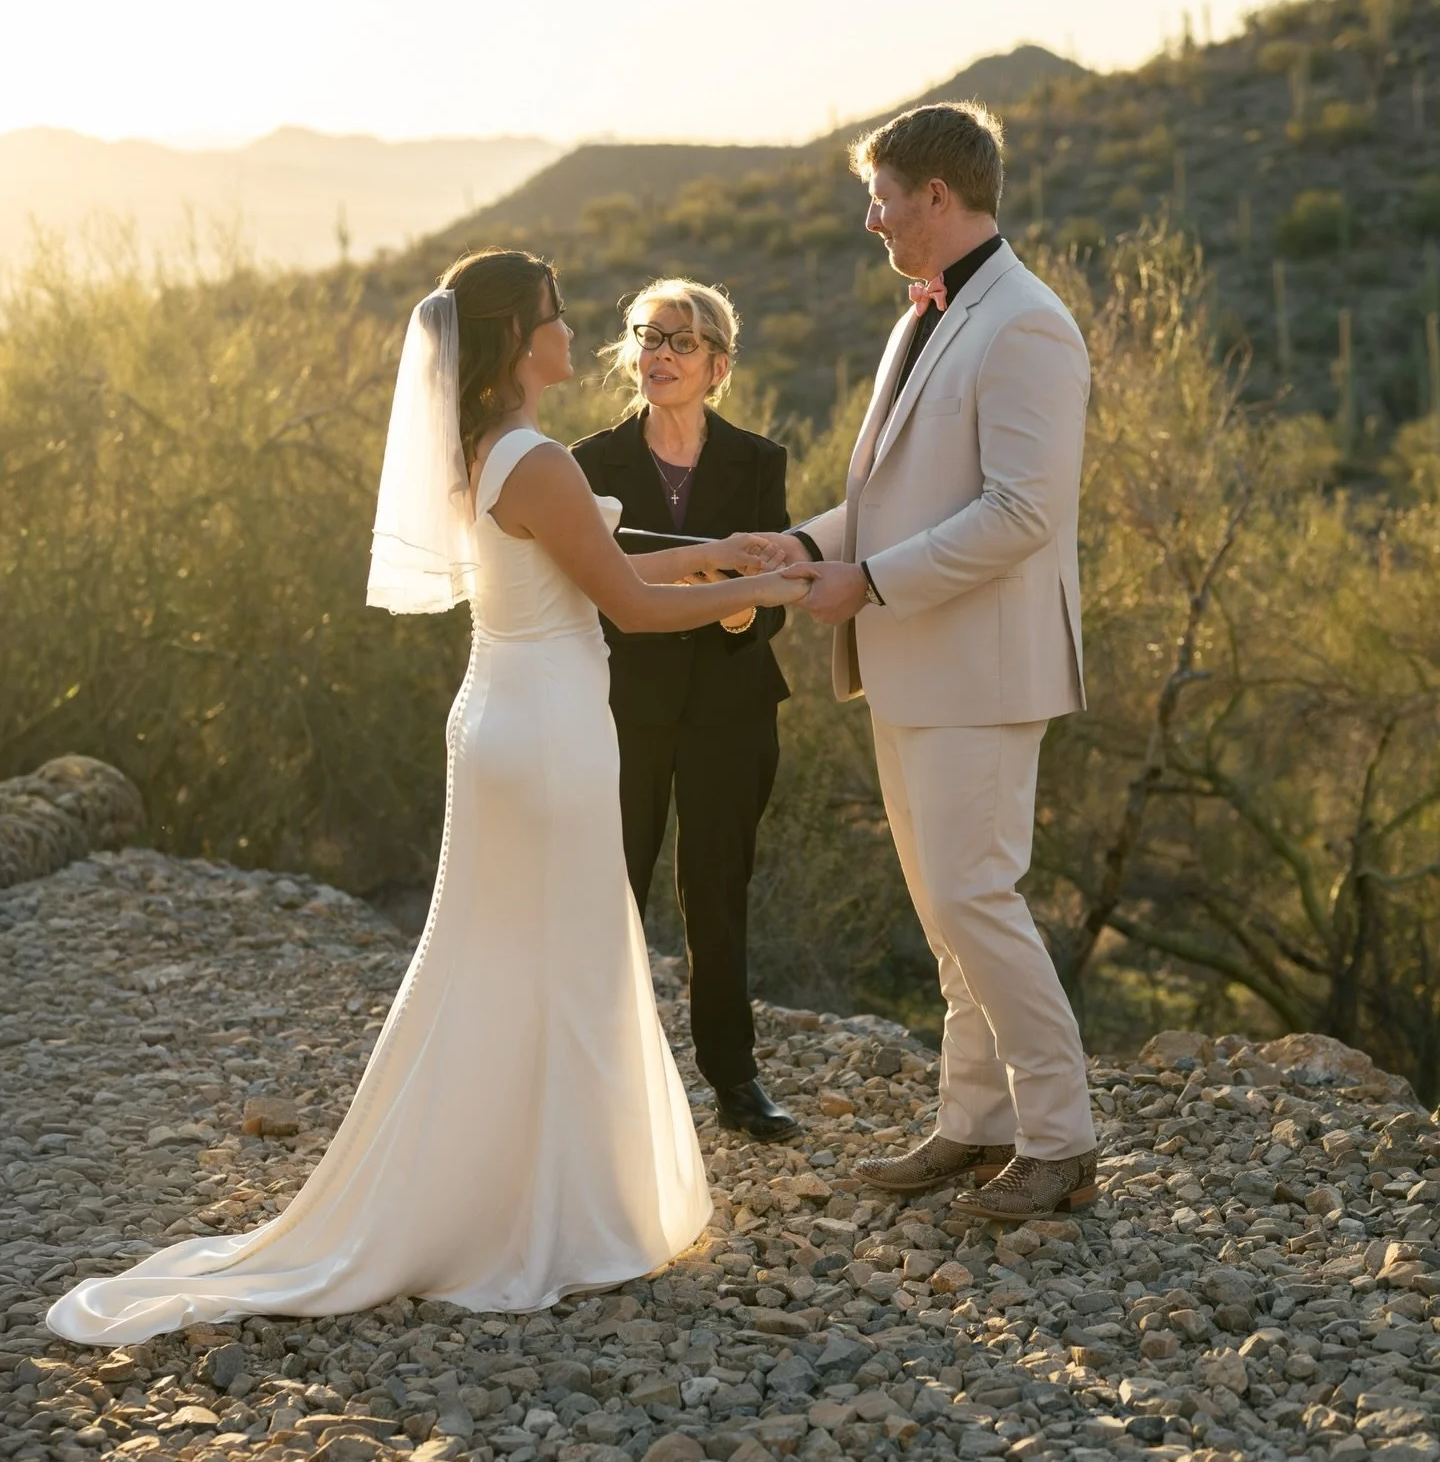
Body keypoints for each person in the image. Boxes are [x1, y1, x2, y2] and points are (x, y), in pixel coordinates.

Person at [47, 248, 808, 1345]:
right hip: (548, 731)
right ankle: (551, 1214)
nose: (572, 329)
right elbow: (630, 607)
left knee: (506, 958)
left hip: (504, 714)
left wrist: (725, 550)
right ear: (514, 339)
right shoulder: (541, 458)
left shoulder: (491, 450)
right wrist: (780, 579)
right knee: (565, 959)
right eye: (554, 314)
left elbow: (603, 565)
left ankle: (503, 1188)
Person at [774, 102, 1098, 1223]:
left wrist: (862, 581)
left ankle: (1060, 1141)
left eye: (882, 198)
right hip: (913, 660)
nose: (872, 219)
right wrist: (806, 546)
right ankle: (975, 1122)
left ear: (938, 199)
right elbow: (888, 496)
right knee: (943, 909)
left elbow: (1019, 513)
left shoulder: (1027, 325)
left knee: (977, 897)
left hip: (982, 670)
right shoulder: (922, 316)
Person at [572, 280, 797, 1142]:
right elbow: (580, 589)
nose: (661, 354)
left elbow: (774, 595)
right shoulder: (587, 463)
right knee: (611, 891)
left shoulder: (759, 462)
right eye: (648, 337)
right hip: (619, 704)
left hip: (731, 708)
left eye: (683, 341)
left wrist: (735, 603)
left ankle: (735, 1083)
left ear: (717, 367)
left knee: (717, 895)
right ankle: (601, 1079)